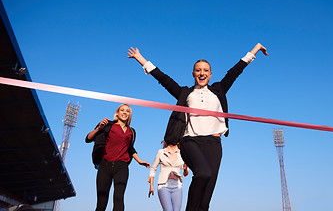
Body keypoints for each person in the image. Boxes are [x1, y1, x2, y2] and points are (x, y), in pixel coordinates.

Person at [127, 43, 268, 211]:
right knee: (203, 173)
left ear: (210, 74)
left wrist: (255, 50)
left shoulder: (219, 90)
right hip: (190, 141)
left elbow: (235, 71)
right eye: (198, 70)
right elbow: (163, 79)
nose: (202, 73)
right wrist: (141, 59)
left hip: (214, 144)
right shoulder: (185, 93)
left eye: (206, 70)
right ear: (193, 73)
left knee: (206, 195)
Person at [85, 104, 151, 211]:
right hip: (104, 166)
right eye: (122, 110)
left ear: (130, 115)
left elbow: (130, 148)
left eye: (127, 111)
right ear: (117, 113)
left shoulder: (132, 132)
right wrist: (99, 128)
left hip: (121, 167)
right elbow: (88, 139)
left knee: (119, 198)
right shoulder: (107, 125)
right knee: (102, 202)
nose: (125, 112)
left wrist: (139, 161)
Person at [148, 141, 189, 211]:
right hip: (163, 186)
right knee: (168, 209)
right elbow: (153, 169)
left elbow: (185, 174)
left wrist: (185, 169)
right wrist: (151, 186)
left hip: (177, 186)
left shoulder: (182, 153)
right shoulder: (161, 152)